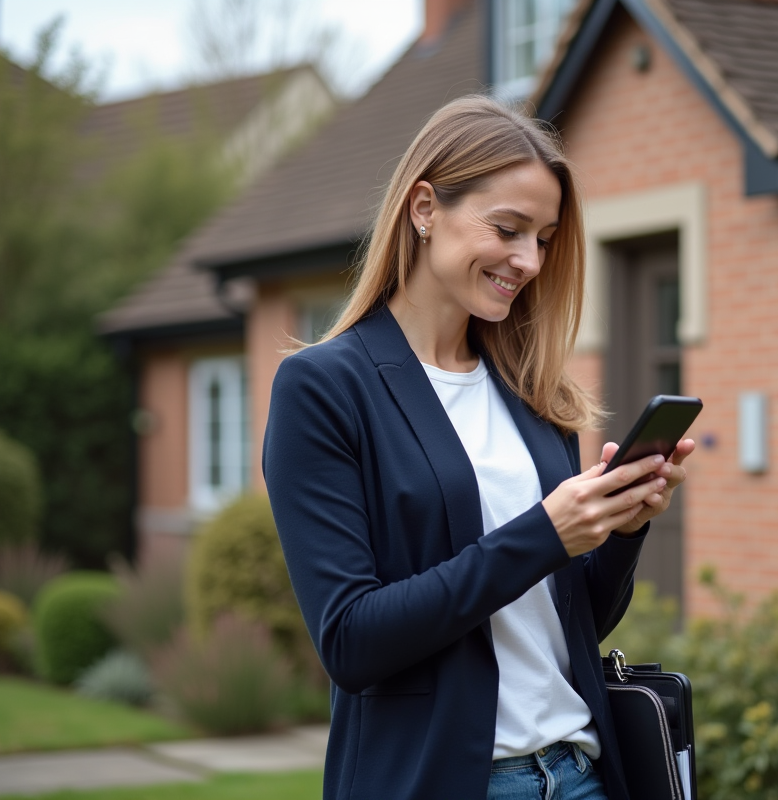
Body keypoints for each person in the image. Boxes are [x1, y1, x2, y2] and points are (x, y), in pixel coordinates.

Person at [262, 95, 695, 800]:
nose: (527, 260)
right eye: (508, 228)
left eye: (545, 238)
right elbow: (351, 641)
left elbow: (571, 622)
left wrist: (622, 529)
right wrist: (545, 532)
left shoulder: (531, 391)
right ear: (425, 208)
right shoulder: (324, 388)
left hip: (581, 774)